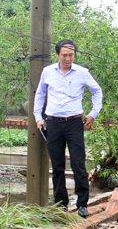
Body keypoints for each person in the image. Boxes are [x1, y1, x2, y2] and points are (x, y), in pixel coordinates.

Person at [33, 39, 103, 218]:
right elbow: (40, 94)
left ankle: (82, 204)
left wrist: (93, 113)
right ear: (57, 54)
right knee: (57, 166)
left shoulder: (82, 72)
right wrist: (38, 117)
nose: (68, 58)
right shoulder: (48, 72)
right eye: (64, 55)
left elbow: (97, 91)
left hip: (74, 123)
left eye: (71, 55)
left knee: (78, 164)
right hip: (53, 123)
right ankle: (60, 204)